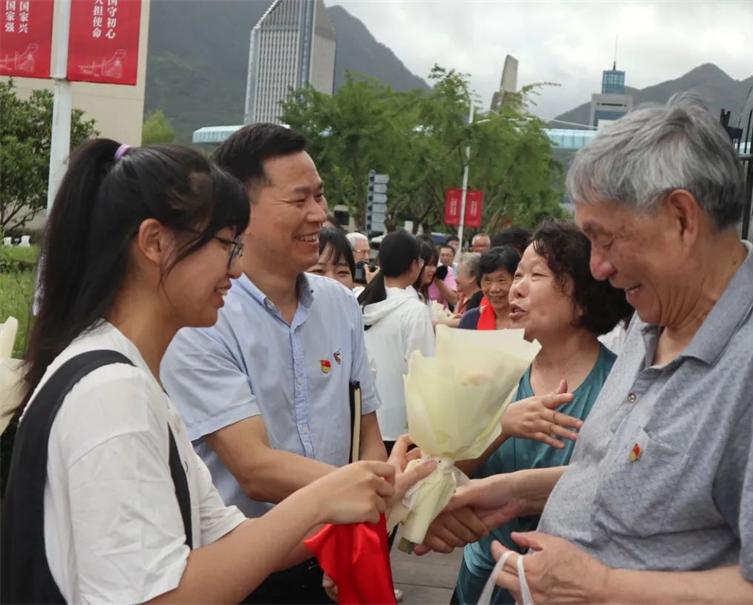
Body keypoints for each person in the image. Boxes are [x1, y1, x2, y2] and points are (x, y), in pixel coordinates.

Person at [422, 94, 753, 604]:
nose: (598, 268)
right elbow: (625, 478)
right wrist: (511, 492)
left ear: (681, 218)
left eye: (605, 240)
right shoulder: (654, 320)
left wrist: (602, 587)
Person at [1, 140, 406, 604]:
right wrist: (325, 496)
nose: (235, 268)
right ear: (154, 242)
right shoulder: (113, 393)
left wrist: (369, 496)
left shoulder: (127, 376)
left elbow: (234, 541)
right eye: (225, 244)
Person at [160, 123, 390, 603]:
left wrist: (361, 514)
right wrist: (374, 490)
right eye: (300, 199)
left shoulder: (340, 305)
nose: (319, 214)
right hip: (239, 565)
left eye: (319, 196)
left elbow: (367, 433)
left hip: (332, 553)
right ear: (241, 210)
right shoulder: (204, 316)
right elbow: (254, 468)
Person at [451, 220, 631, 604]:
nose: (515, 288)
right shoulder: (493, 370)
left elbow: (620, 490)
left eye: (536, 275)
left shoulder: (621, 388)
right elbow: (447, 472)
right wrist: (501, 426)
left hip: (567, 589)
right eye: (518, 274)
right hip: (481, 579)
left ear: (583, 298)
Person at [358, 231, 435, 452]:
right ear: (414, 265)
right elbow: (423, 373)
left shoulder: (361, 302)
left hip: (363, 423)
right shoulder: (414, 311)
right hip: (401, 429)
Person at [458, 246, 520, 330]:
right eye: (487, 281)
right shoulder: (471, 320)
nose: (494, 289)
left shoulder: (528, 322)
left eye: (501, 280)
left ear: (516, 280)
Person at [414, 238, 439, 303]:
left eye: (435, 265)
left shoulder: (423, 290)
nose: (434, 269)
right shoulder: (408, 294)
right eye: (429, 265)